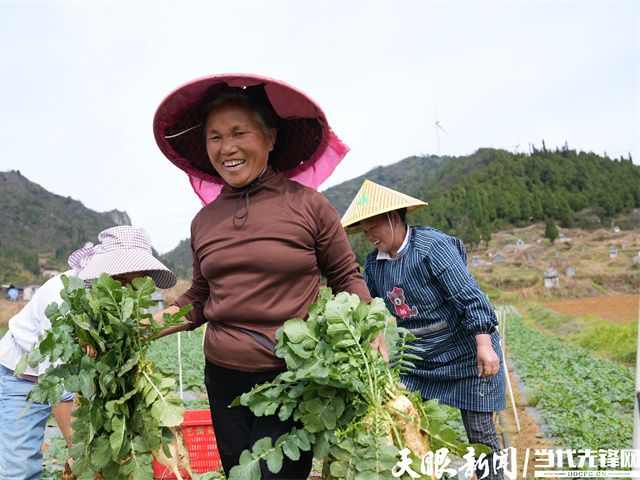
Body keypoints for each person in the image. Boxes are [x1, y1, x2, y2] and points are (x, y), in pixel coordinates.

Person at [152, 73, 387, 479]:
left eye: (239, 132)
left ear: (270, 137)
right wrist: (149, 325)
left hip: (293, 377)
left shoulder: (309, 206)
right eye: (215, 137)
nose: (227, 147)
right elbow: (201, 298)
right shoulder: (204, 221)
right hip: (223, 379)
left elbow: (346, 275)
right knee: (239, 473)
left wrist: (369, 330)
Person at [340, 179, 506, 480]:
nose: (367, 235)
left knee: (480, 433)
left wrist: (484, 343)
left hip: (465, 350)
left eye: (371, 226)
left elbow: (469, 296)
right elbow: (372, 308)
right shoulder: (374, 265)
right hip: (420, 359)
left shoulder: (433, 248)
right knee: (404, 417)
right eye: (362, 230)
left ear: (393, 217)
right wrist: (375, 335)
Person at [0, 226, 177, 480]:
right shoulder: (63, 297)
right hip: (23, 375)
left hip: (83, 378)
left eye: (136, 283)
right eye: (122, 281)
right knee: (20, 468)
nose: (129, 291)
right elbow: (59, 382)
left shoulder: (121, 304)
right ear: (103, 271)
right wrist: (83, 454)